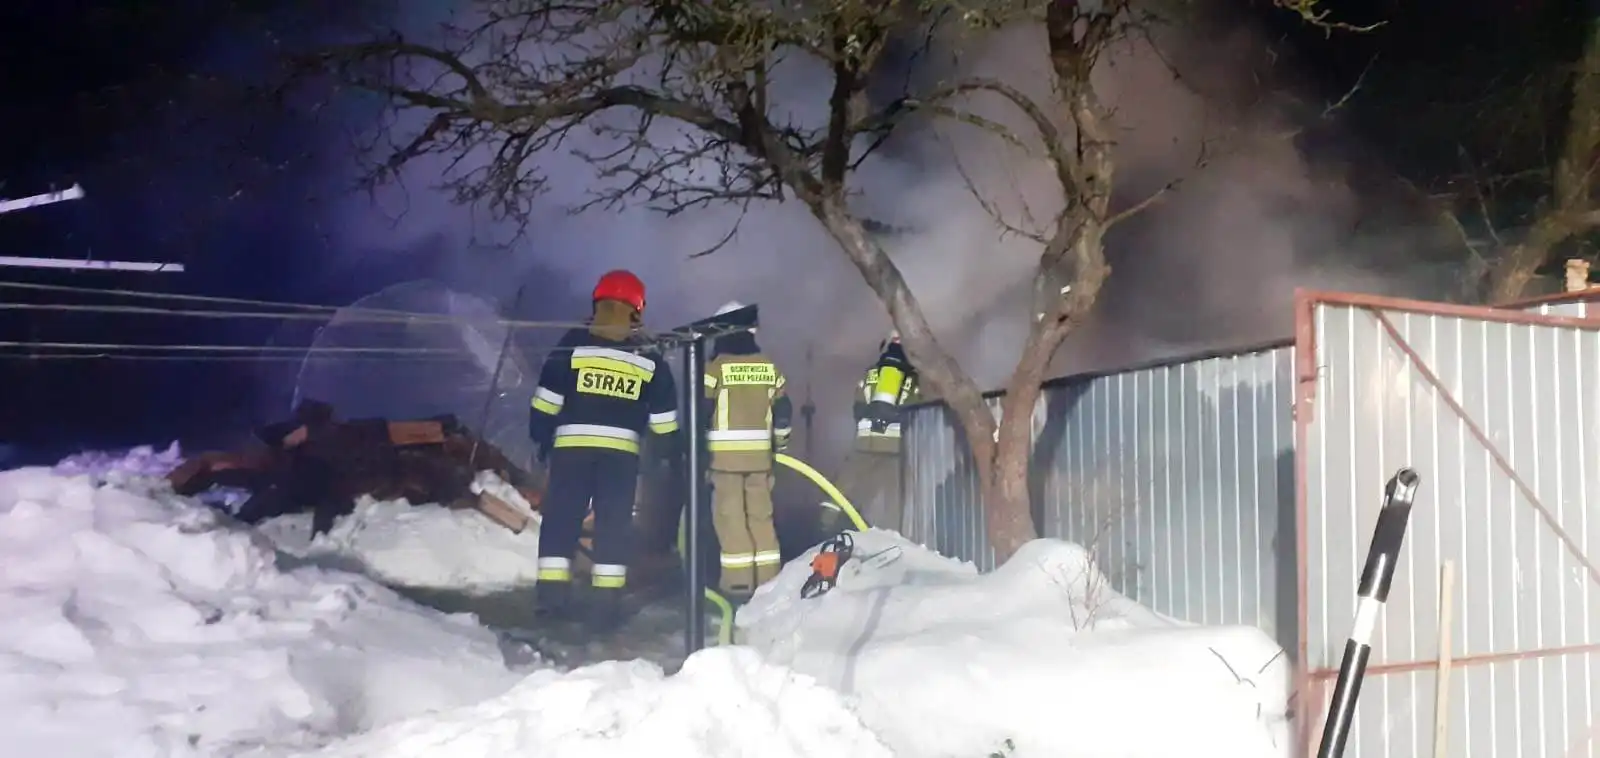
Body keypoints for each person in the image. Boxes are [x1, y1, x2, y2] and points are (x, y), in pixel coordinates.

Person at [528, 269, 679, 631]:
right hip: (620, 459)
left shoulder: (574, 341)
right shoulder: (648, 353)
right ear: (637, 309)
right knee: (614, 526)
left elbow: (546, 400)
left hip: (571, 452)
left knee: (561, 521)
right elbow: (665, 421)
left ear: (598, 301)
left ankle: (551, 602)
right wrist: (665, 454)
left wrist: (542, 439)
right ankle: (605, 607)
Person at [701, 300, 792, 600]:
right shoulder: (769, 366)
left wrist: (697, 454)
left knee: (731, 520)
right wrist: (779, 446)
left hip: (724, 462)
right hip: (761, 460)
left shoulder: (715, 368)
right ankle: (769, 584)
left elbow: (701, 412)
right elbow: (783, 412)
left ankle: (738, 586)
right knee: (761, 519)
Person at [832, 330, 919, 531]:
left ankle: (827, 523)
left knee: (846, 486)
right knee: (894, 497)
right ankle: (892, 536)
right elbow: (915, 409)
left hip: (864, 442)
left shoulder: (871, 374)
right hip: (894, 447)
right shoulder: (910, 378)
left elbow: (858, 405)